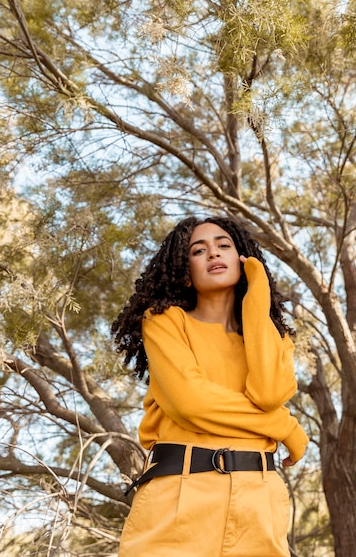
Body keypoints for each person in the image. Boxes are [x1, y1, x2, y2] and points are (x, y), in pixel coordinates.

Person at [111, 215, 309, 556]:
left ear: (242, 259)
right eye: (198, 251)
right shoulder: (165, 322)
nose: (213, 254)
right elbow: (192, 403)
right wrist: (282, 425)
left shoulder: (274, 340)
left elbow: (269, 393)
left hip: (259, 501)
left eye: (224, 246)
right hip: (180, 496)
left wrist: (257, 297)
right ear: (183, 271)